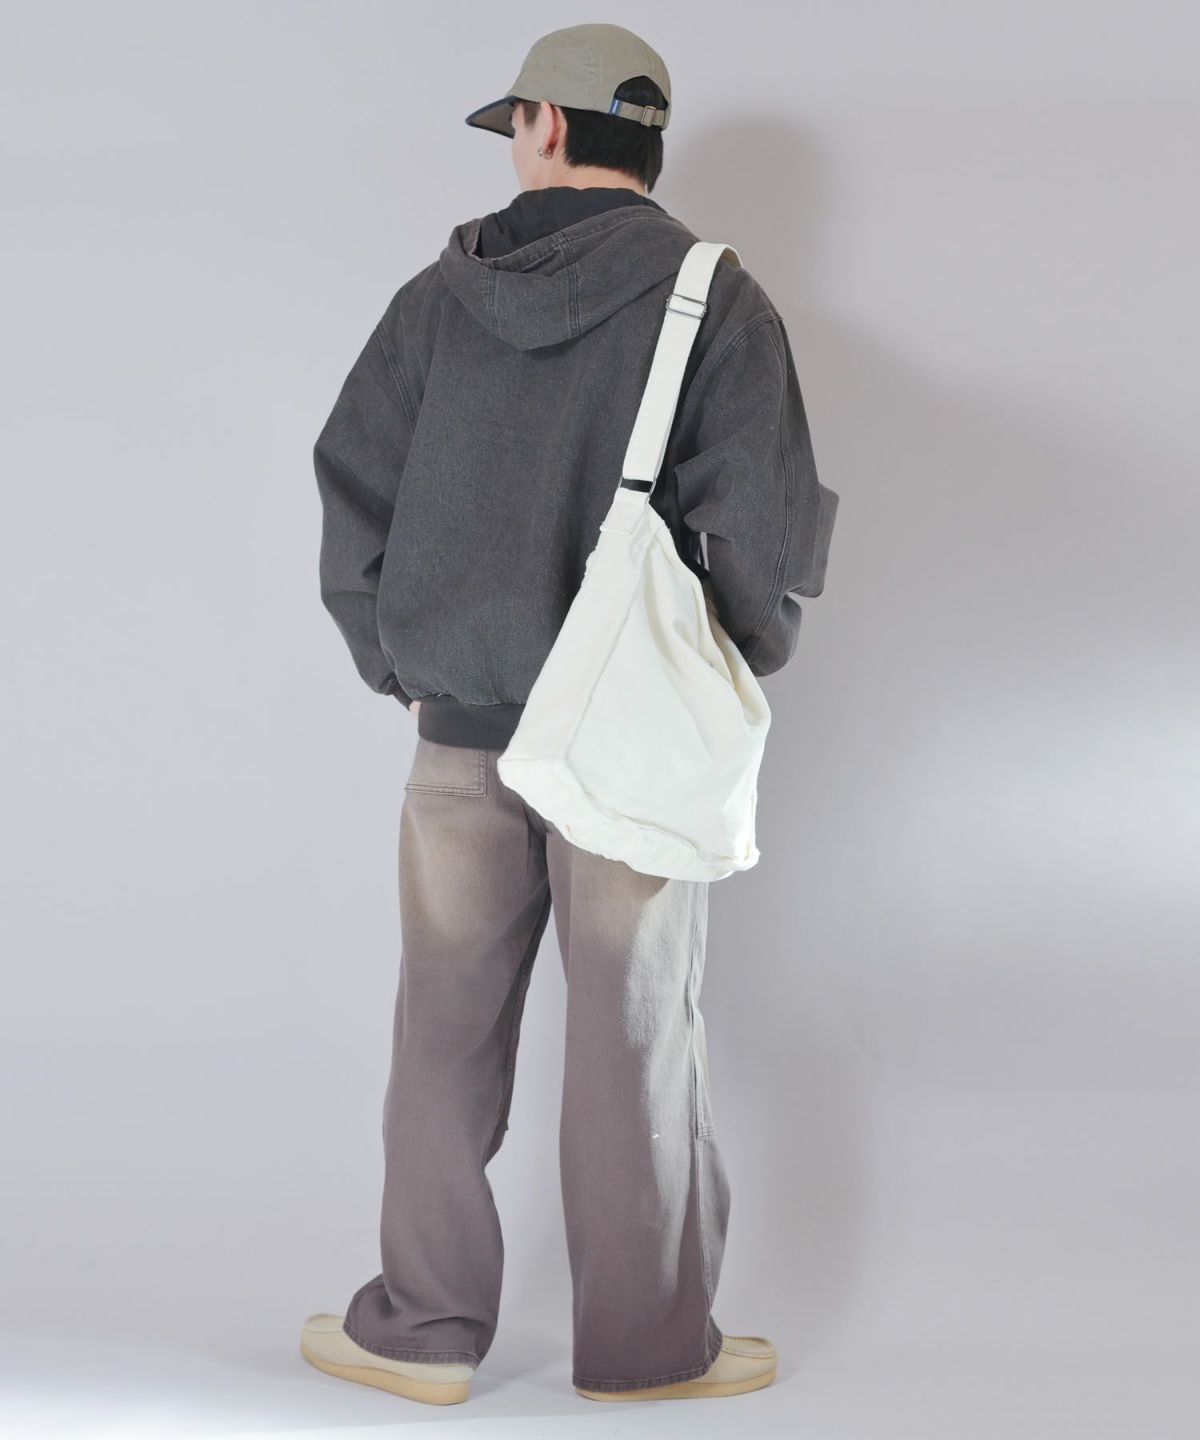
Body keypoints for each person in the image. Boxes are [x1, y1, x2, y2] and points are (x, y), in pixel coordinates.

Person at [300, 22, 839, 1407]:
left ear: (543, 126)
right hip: (628, 751)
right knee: (634, 1046)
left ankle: (418, 1333)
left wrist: (406, 659)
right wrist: (714, 665)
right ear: (648, 140)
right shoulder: (718, 301)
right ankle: (646, 1354)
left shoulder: (437, 299)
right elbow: (763, 539)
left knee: (442, 1038)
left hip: (460, 732)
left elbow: (354, 484)